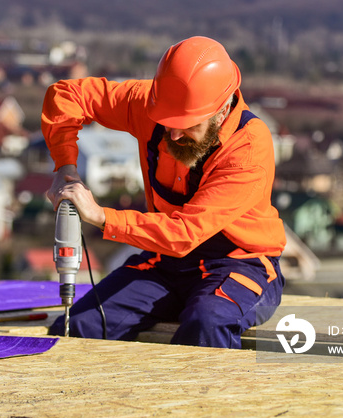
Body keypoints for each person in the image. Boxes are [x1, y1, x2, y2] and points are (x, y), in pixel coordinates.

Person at [42, 36, 286, 348]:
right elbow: (65, 95)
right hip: (167, 261)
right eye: (166, 121)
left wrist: (103, 217)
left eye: (187, 124)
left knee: (206, 323)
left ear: (222, 110)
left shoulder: (248, 148)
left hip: (240, 262)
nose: (172, 133)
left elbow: (185, 233)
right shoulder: (150, 103)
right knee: (80, 324)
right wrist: (65, 166)